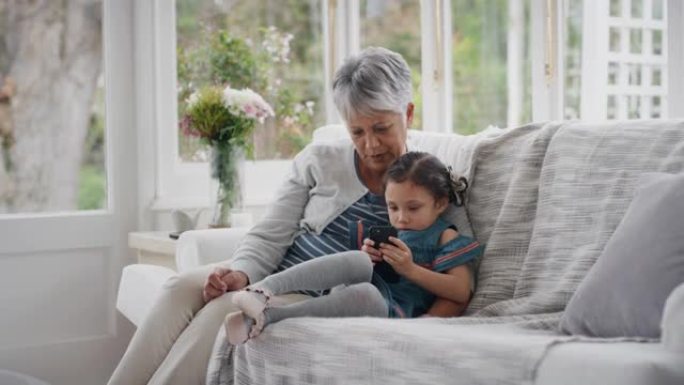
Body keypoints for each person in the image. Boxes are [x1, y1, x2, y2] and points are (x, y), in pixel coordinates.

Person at [108, 46, 462, 385]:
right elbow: (271, 233)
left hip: (314, 293)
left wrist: (428, 324)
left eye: (381, 128)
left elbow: (457, 264)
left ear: (409, 114)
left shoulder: (427, 181)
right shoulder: (319, 159)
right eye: (357, 131)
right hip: (271, 273)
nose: (370, 145)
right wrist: (240, 272)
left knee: (218, 315)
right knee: (177, 288)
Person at [224, 152, 482, 344]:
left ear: (440, 204)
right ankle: (262, 289)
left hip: (392, 310)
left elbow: (460, 291)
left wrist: (410, 269)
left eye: (413, 208)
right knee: (358, 260)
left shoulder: (445, 237)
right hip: (362, 288)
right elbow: (362, 267)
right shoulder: (395, 231)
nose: (401, 218)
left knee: (367, 295)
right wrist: (370, 257)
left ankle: (267, 318)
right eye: (393, 207)